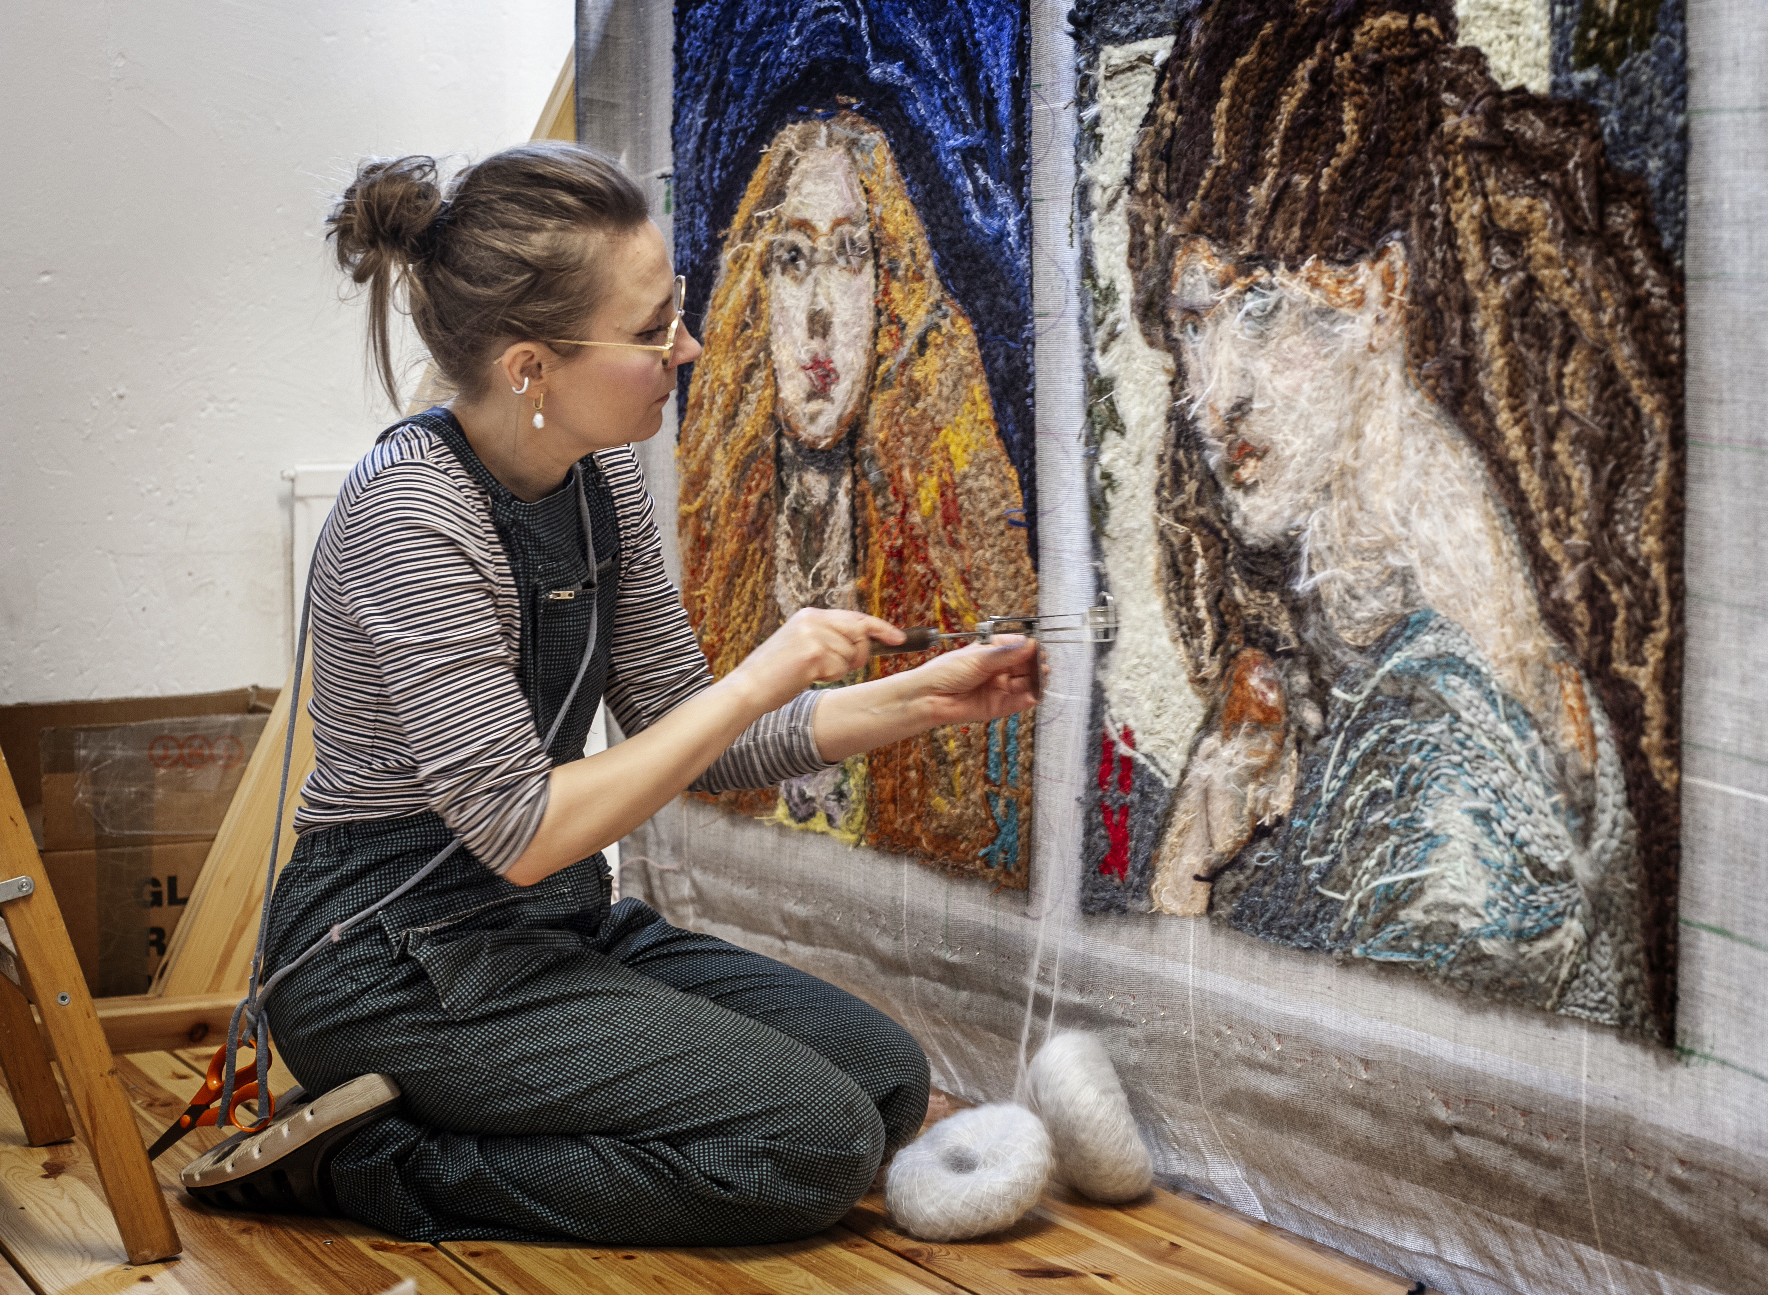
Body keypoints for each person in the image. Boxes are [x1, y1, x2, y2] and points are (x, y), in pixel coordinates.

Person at [176, 143, 1040, 1244]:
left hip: (546, 922)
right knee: (804, 1143)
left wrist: (927, 697)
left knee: (881, 1082)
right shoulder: (409, 518)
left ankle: (449, 1118)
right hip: (385, 961)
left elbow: (701, 738)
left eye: (671, 313)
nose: (685, 346)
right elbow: (526, 830)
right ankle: (361, 1161)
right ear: (530, 366)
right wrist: (766, 667)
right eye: (648, 333)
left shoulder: (601, 479)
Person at [1126, 0, 1679, 1032]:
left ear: (1381, 289)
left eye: (1256, 304)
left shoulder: (1436, 764)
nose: (1215, 393)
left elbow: (1301, 1135)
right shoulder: (1441, 639)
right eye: (1189, 324)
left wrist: (1179, 892)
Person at [678, 112, 1038, 875]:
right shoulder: (718, 546)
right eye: (792, 257)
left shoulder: (948, 533)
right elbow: (688, 749)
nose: (818, 310)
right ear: (756, 290)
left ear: (889, 288)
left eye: (848, 254)